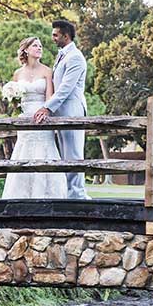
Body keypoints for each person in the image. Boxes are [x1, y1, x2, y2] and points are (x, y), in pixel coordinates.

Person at [0, 36, 68, 199]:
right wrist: (12, 98)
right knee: (23, 154)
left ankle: (47, 196)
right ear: (26, 50)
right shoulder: (17, 74)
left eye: (40, 46)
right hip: (24, 120)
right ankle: (21, 196)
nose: (39, 48)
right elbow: (15, 104)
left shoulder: (46, 71)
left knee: (44, 153)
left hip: (42, 119)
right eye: (35, 46)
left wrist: (45, 112)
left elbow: (50, 98)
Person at [32, 19, 89, 199]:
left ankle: (77, 196)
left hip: (72, 110)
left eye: (56, 34)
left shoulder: (76, 57)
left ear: (66, 36)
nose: (53, 38)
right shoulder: (62, 55)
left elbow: (65, 88)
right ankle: (69, 194)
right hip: (62, 111)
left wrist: (47, 108)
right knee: (65, 155)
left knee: (73, 155)